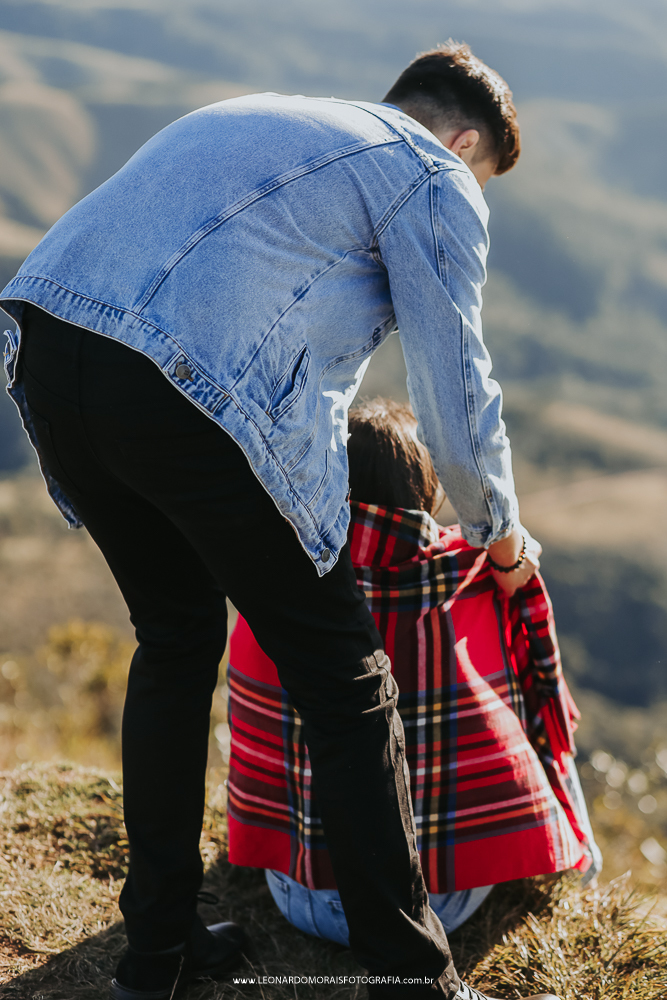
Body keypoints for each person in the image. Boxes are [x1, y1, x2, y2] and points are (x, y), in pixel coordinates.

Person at [0, 40, 555, 1000]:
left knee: (174, 641)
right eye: (482, 179)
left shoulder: (261, 113)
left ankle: (158, 952)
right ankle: (411, 979)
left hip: (45, 349)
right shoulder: (431, 173)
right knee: (347, 686)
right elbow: (456, 396)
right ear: (465, 142)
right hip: (182, 386)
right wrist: (500, 537)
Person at [226, 398, 602, 945]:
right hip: (432, 907)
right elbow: (535, 686)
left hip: (299, 895)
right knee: (532, 701)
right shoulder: (467, 571)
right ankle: (586, 865)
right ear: (427, 490)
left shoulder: (277, 576)